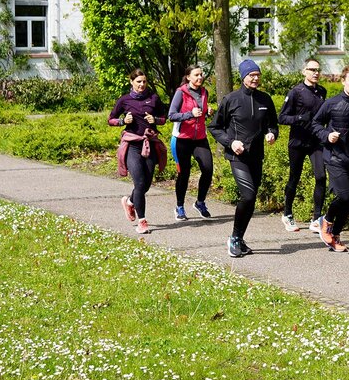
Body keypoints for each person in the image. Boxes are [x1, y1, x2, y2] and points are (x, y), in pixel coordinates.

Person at [208, 59, 279, 258]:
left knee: (251, 198)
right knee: (248, 195)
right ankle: (234, 238)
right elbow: (214, 128)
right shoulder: (231, 99)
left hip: (256, 156)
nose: (255, 78)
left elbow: (272, 125)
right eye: (251, 75)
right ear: (243, 77)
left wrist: (271, 134)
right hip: (237, 156)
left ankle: (240, 237)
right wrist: (230, 143)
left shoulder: (265, 99)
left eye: (258, 75)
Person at [311, 65, 349, 253]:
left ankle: (335, 235)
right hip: (335, 157)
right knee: (344, 195)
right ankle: (326, 221)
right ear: (343, 81)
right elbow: (315, 124)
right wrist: (327, 135)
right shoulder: (331, 103)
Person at [109, 69, 168, 234]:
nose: (142, 85)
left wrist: (154, 120)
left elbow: (164, 118)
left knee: (146, 184)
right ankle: (142, 222)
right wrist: (123, 121)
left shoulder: (153, 98)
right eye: (139, 82)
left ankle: (129, 202)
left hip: (149, 144)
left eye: (144, 82)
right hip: (133, 145)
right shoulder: (124, 100)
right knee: (139, 183)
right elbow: (110, 119)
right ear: (131, 82)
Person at [278, 58, 327, 233]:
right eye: (312, 69)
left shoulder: (322, 91)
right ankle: (287, 214)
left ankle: (316, 218)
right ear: (303, 71)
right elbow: (282, 117)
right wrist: (300, 118)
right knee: (294, 177)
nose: (315, 73)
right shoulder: (295, 92)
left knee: (321, 177)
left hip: (316, 142)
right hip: (297, 142)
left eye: (318, 70)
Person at [168, 64, 213, 221]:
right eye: (196, 75)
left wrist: (207, 112)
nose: (200, 77)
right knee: (184, 174)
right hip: (182, 139)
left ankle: (200, 203)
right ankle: (179, 207)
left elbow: (201, 112)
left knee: (208, 169)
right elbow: (172, 115)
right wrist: (189, 114)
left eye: (201, 74)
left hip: (200, 138)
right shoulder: (181, 92)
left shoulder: (204, 92)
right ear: (188, 77)